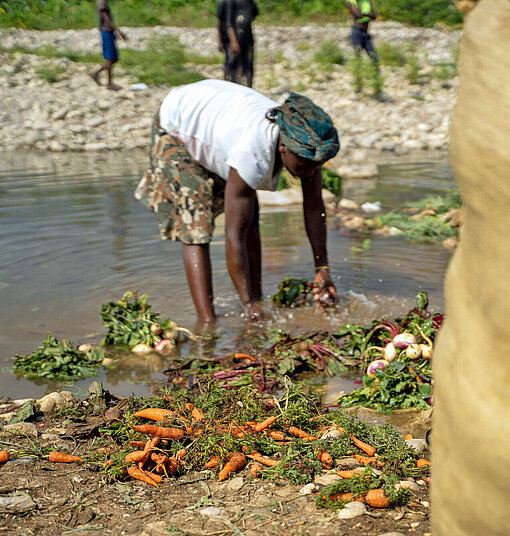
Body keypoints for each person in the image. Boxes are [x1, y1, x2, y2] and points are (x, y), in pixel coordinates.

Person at [134, 79, 340, 323]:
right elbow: (234, 236)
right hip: (177, 127)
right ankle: (207, 323)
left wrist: (322, 269)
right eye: (306, 165)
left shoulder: (307, 151)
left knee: (251, 216)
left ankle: (256, 296)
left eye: (317, 165)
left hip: (219, 121)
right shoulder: (252, 151)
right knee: (196, 227)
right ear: (283, 147)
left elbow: (314, 207)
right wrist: (247, 304)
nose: (310, 172)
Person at [217, 0, 258, 87]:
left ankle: (248, 87)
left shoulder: (250, 3)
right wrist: (233, 41)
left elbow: (253, 16)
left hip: (247, 39)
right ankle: (232, 85)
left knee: (248, 65)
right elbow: (228, 24)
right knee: (232, 64)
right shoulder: (229, 2)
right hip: (231, 39)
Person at [89, 0, 127, 91]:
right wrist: (119, 31)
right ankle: (107, 81)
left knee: (112, 59)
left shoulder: (103, 2)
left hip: (108, 32)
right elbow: (106, 19)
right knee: (110, 59)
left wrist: (114, 32)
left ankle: (97, 74)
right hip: (106, 32)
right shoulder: (102, 2)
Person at [346, 0, 378, 65]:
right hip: (357, 32)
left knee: (374, 57)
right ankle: (358, 73)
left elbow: (374, 16)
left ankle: (374, 73)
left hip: (365, 33)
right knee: (358, 56)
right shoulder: (351, 2)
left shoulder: (367, 1)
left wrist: (365, 14)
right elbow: (358, 15)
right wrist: (369, 15)